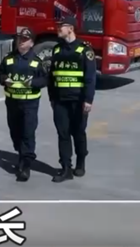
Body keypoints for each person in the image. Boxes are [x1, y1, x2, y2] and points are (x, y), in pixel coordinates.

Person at [48, 14, 97, 182]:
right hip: (60, 101)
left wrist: (88, 100)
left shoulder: (84, 50)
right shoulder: (56, 49)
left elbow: (90, 78)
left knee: (78, 132)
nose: (58, 28)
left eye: (61, 26)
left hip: (78, 101)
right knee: (63, 134)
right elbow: (51, 77)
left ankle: (80, 162)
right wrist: (52, 98)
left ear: (70, 29)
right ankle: (66, 168)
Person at [0, 28, 48, 182]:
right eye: (20, 39)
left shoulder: (37, 62)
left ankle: (25, 165)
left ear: (31, 43)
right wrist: (4, 80)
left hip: (29, 104)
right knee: (15, 133)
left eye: (25, 40)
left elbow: (44, 80)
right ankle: (21, 154)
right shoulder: (8, 59)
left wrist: (32, 82)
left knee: (27, 133)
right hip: (12, 103)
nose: (21, 42)